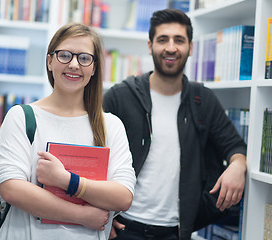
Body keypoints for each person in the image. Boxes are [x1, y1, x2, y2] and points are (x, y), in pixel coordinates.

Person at [103, 8, 247, 240]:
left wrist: (237, 166)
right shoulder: (120, 96)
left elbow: (235, 147)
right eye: (163, 40)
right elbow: (93, 154)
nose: (171, 47)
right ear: (150, 46)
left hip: (176, 231)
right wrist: (102, 217)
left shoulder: (203, 100)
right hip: (123, 227)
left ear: (190, 48)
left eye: (179, 40)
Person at [0, 23, 136, 240]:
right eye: (64, 55)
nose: (74, 65)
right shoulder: (22, 116)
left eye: (84, 58)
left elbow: (123, 197)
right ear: (50, 61)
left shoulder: (111, 126)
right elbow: (11, 189)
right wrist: (81, 215)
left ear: (94, 68)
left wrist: (67, 181)